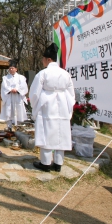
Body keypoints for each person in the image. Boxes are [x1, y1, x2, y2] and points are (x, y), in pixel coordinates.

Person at [30, 43, 75, 173]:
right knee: (61, 133)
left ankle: (45, 162)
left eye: (43, 59)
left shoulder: (43, 73)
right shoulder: (65, 74)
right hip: (63, 105)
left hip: (47, 105)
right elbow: (71, 94)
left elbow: (34, 93)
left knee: (47, 133)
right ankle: (58, 163)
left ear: (48, 59)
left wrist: (35, 106)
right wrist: (69, 106)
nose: (42, 61)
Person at [0, 61, 28, 129]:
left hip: (17, 97)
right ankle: (9, 126)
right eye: (10, 68)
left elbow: (23, 86)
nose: (11, 69)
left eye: (12, 68)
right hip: (9, 97)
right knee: (9, 111)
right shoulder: (5, 78)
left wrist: (17, 90)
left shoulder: (21, 77)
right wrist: (10, 90)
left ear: (16, 69)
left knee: (18, 111)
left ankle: (18, 126)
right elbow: (4, 86)